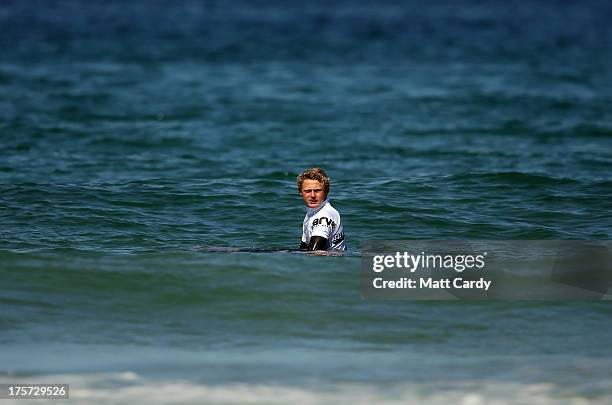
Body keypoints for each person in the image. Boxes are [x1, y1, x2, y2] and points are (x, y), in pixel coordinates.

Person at [297, 167, 346, 251]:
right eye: (308, 191)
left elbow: (313, 252)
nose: (312, 195)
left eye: (317, 191)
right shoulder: (312, 213)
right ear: (301, 192)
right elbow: (303, 250)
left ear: (326, 191)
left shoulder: (324, 216)